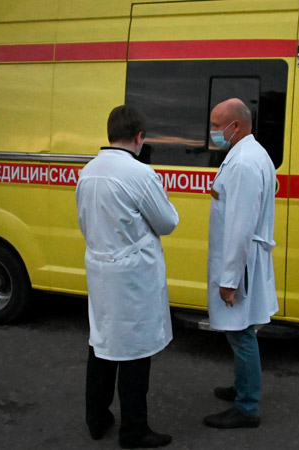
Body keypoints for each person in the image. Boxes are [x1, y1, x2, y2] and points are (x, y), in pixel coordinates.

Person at [76, 105, 179, 448]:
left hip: (100, 268)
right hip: (132, 276)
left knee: (102, 343)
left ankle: (97, 418)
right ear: (139, 137)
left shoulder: (88, 171)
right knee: (135, 351)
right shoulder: (140, 174)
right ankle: (134, 430)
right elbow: (167, 222)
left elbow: (85, 221)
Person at [204, 98, 278, 429]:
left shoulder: (243, 164)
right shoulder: (251, 154)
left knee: (241, 333)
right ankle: (241, 387)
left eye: (217, 126)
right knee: (240, 330)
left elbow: (239, 227)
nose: (213, 132)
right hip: (245, 259)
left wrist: (229, 280)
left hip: (241, 263)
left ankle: (247, 407)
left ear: (236, 126)